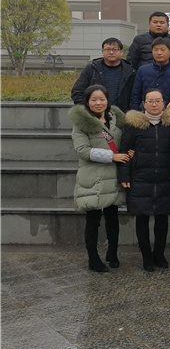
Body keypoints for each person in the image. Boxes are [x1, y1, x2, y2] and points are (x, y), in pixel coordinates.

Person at [69, 85, 129, 272]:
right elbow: (83, 151)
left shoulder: (116, 119)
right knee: (93, 219)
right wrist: (112, 156)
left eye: (102, 99)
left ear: (107, 100)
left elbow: (124, 143)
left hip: (113, 176)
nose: (98, 103)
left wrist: (129, 152)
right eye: (93, 99)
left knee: (113, 217)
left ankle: (113, 252)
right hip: (93, 177)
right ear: (87, 102)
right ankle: (93, 258)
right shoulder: (82, 123)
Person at [118, 89, 170, 272]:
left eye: (158, 100)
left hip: (164, 178)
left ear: (164, 103)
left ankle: (159, 253)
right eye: (150, 101)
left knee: (162, 218)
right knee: (142, 218)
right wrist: (124, 176)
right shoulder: (134, 125)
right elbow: (125, 151)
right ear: (143, 104)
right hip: (140, 178)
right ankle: (146, 255)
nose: (154, 104)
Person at [71, 37, 135, 113]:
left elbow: (136, 95)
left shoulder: (130, 71)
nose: (111, 52)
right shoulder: (92, 69)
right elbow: (77, 92)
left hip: (122, 115)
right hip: (96, 115)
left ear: (121, 52)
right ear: (102, 52)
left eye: (115, 49)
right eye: (107, 49)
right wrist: (89, 110)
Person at [130, 37, 170, 111]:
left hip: (168, 114)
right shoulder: (142, 70)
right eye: (156, 50)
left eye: (162, 50)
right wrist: (136, 113)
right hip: (144, 113)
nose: (159, 53)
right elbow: (135, 95)